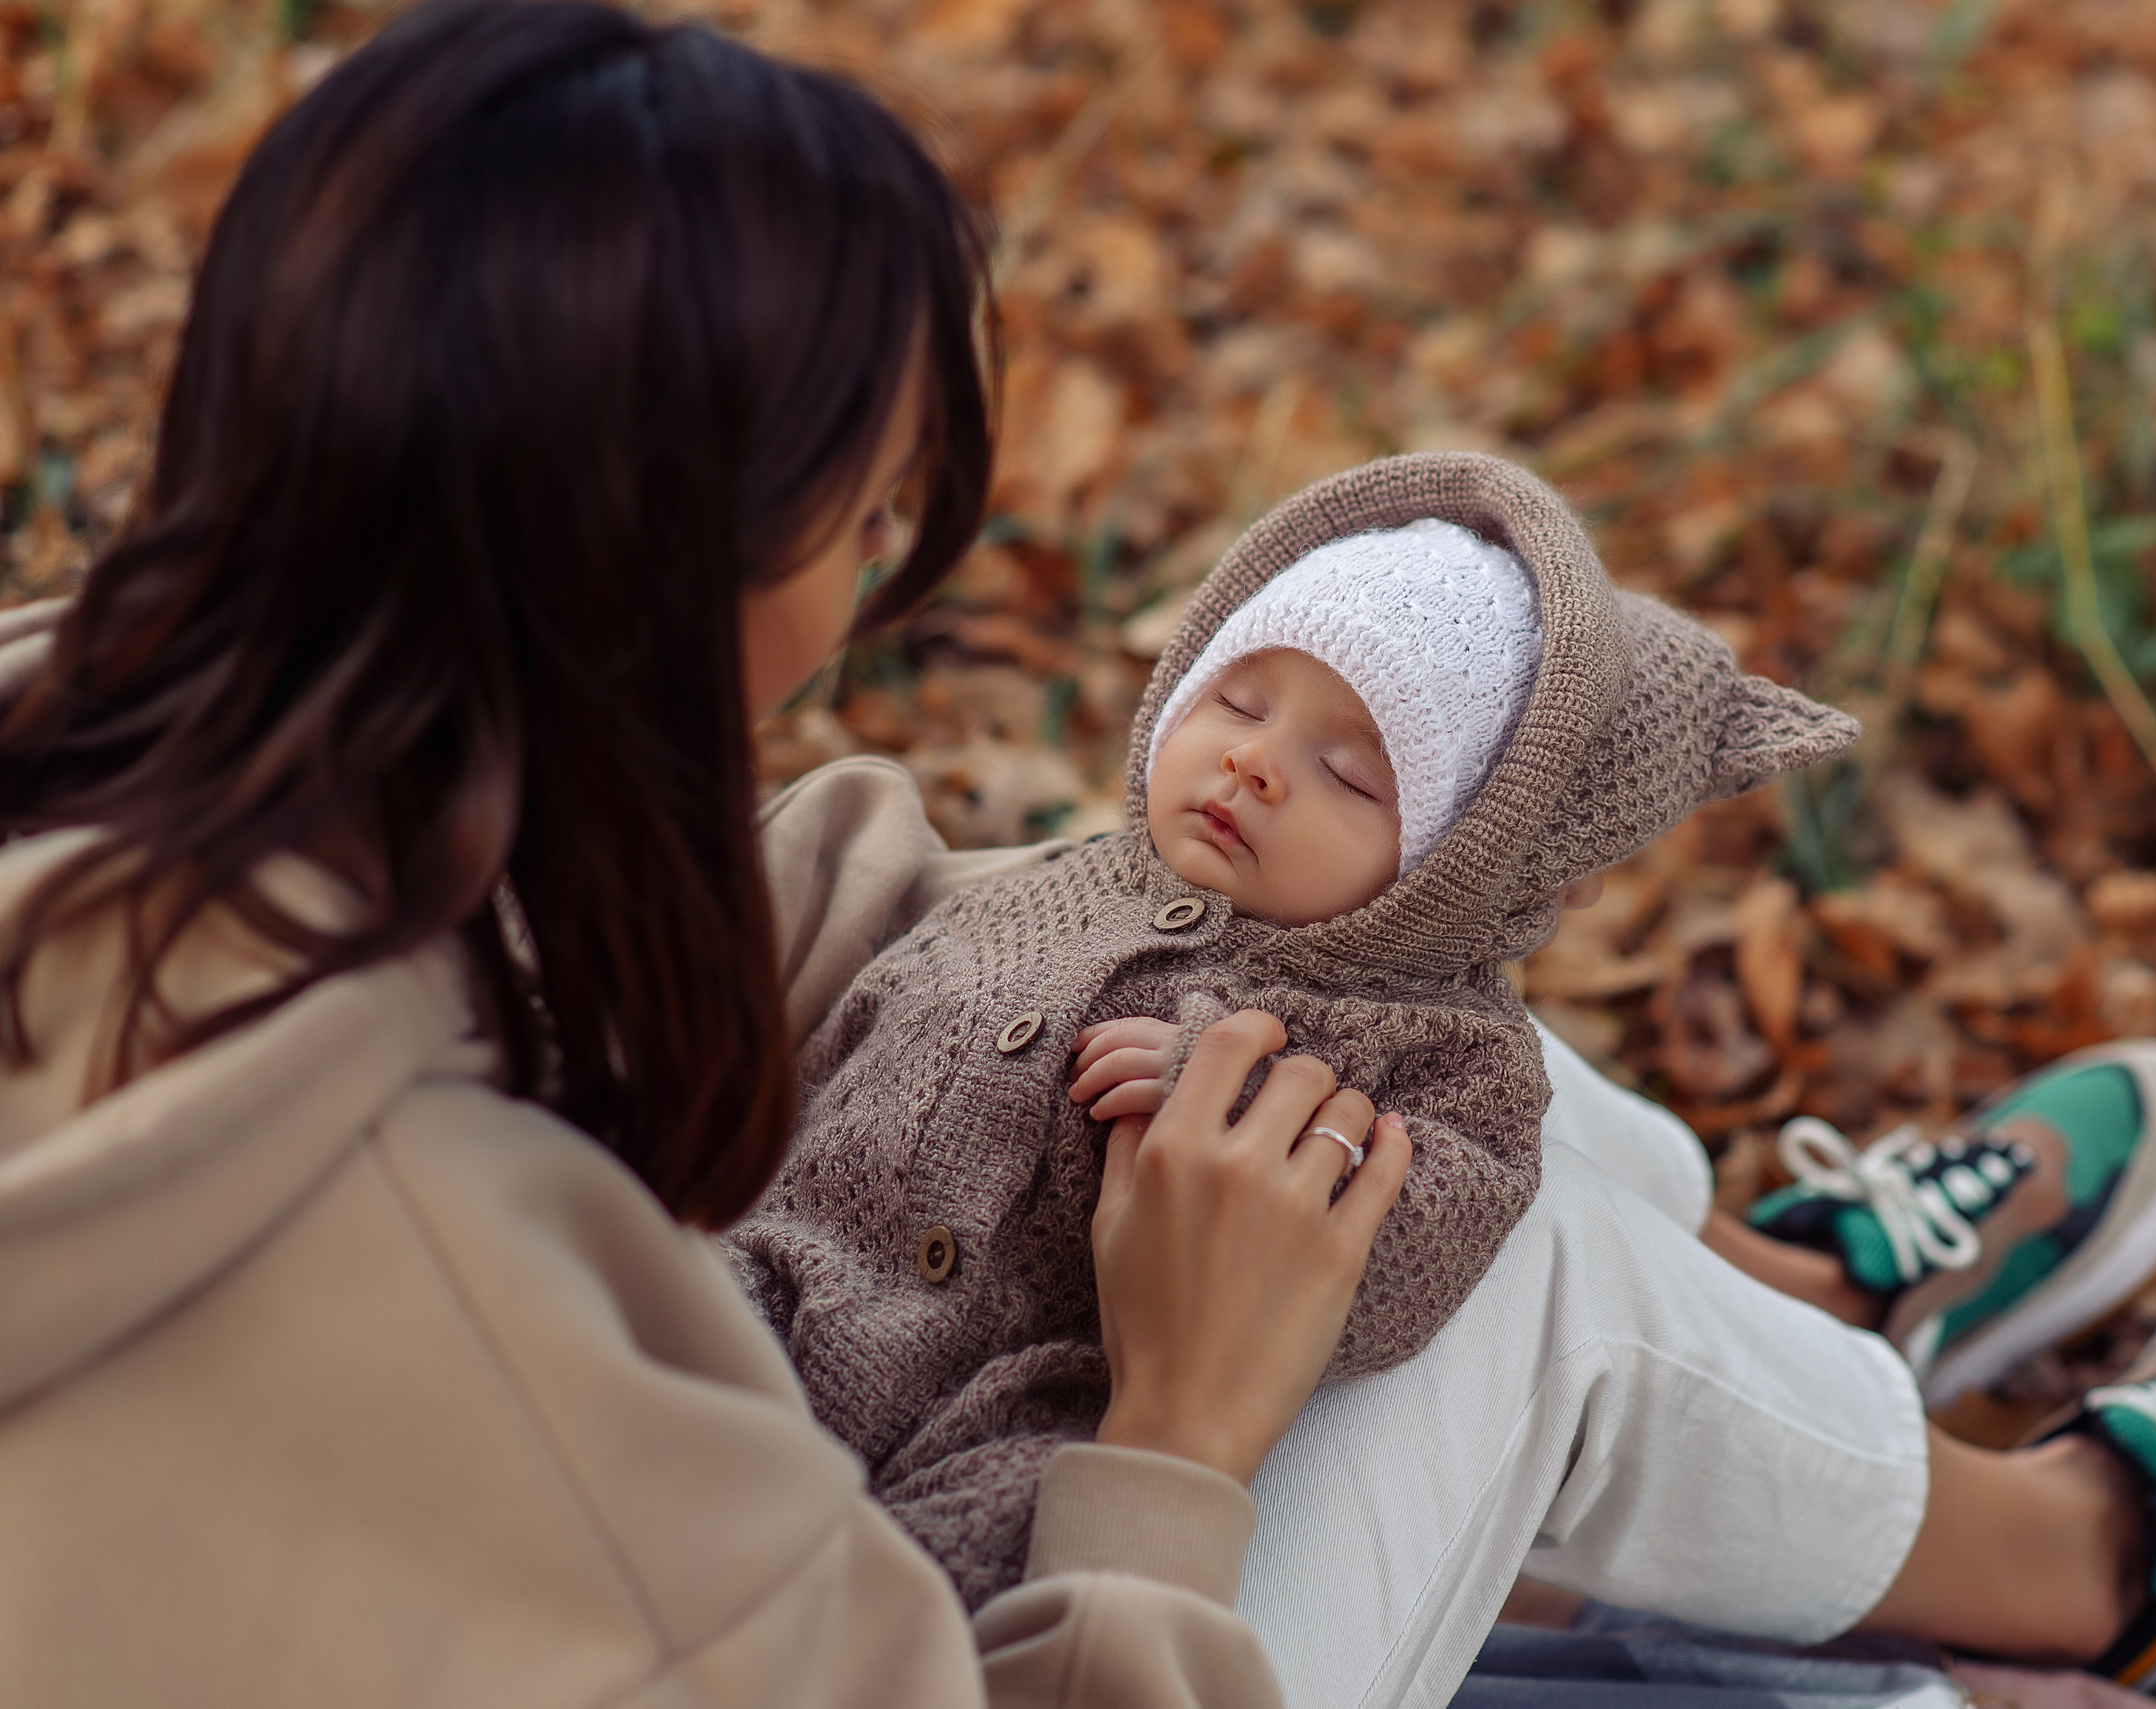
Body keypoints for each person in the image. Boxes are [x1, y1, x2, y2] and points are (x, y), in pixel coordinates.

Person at [0, 4, 1408, 1703]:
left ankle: (1811, 1276)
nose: (867, 593)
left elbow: (621, 896)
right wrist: (1178, 1438)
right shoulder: (465, 1304)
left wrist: (1180, 920)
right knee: (1531, 1292)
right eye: (870, 518)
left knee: (1486, 1118)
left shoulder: (111, 732)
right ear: (662, 567)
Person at [729, 455, 1863, 1605]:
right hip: (783, 1277)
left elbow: (1412, 1245)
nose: (1255, 764)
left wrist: (1237, 1101)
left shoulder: (1440, 1048)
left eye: (1349, 776)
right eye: (1238, 701)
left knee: (939, 1586)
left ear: (1458, 867)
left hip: (1017, 1409)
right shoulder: (1064, 879)